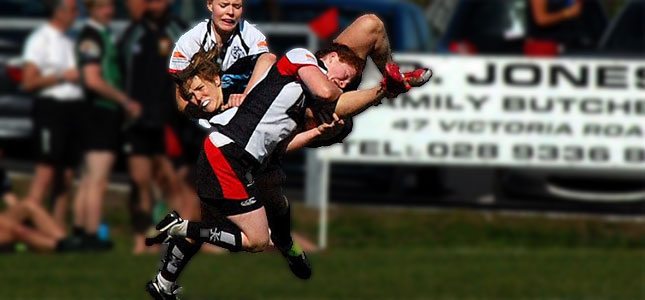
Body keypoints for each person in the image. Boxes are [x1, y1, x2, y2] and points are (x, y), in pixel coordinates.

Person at [145, 36, 420, 297]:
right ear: (331, 57)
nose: (341, 83)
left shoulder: (291, 96)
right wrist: (379, 90)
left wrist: (317, 133)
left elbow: (281, 141)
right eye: (343, 76)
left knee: (263, 213)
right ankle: (183, 228)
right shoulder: (304, 60)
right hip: (231, 156)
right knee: (256, 239)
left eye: (345, 83)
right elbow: (318, 86)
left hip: (245, 158)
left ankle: (164, 282)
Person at [69, 0, 141, 251]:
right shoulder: (91, 37)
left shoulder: (101, 35)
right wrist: (124, 100)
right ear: (91, 9)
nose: (109, 12)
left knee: (88, 177)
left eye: (110, 7)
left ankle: (80, 230)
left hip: (97, 112)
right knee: (97, 179)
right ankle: (91, 234)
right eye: (102, 7)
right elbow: (92, 79)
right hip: (100, 112)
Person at [119, 0, 187, 255]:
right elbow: (119, 73)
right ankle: (141, 238)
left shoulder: (179, 31)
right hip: (137, 121)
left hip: (169, 121)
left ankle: (172, 237)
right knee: (140, 181)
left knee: (171, 181)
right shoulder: (133, 33)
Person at [20, 0, 83, 227]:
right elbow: (28, 82)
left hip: (73, 109)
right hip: (51, 109)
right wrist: (61, 77)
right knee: (45, 171)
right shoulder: (40, 40)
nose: (77, 14)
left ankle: (57, 230)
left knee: (66, 175)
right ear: (59, 11)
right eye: (73, 9)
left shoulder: (73, 38)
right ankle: (25, 223)